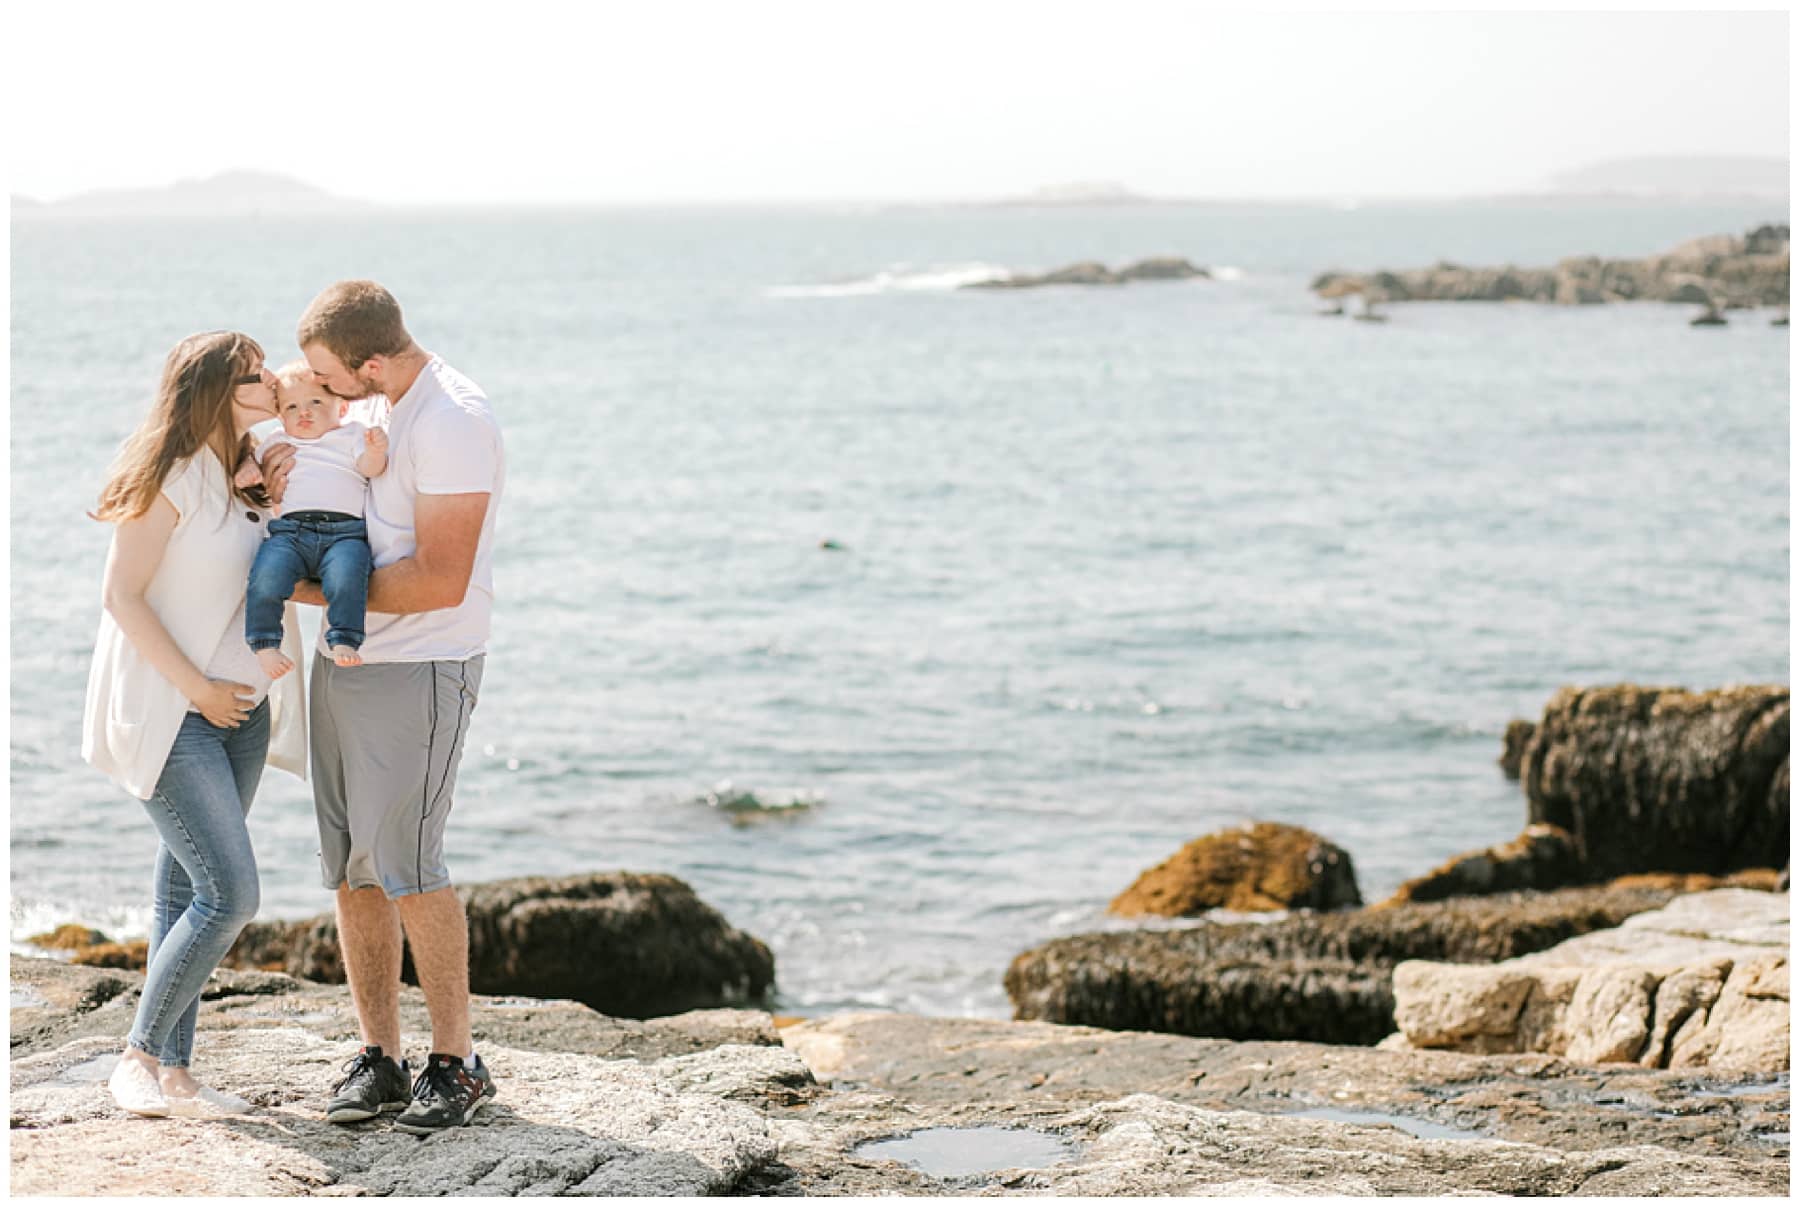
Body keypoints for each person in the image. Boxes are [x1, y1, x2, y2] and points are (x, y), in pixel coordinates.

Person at [263, 280, 504, 1134]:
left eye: (329, 377)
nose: (319, 392)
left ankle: (457, 1062)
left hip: (423, 663)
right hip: (347, 657)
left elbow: (440, 577)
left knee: (409, 863)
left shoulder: (452, 421)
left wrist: (290, 588)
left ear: (368, 362)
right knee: (353, 863)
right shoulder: (377, 412)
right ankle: (382, 1058)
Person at [82, 331, 310, 1118]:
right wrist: (199, 690)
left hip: (240, 714)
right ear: (211, 390)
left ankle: (176, 1074)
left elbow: (268, 579)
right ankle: (136, 1055)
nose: (271, 383)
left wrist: (277, 499)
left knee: (184, 887)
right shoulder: (170, 479)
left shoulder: (240, 475)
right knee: (230, 893)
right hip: (173, 711)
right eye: (252, 377)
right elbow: (123, 597)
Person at [243, 362, 389, 678]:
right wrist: (248, 472)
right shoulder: (278, 441)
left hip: (345, 533)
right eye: (292, 407)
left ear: (342, 406)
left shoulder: (351, 434)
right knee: (266, 576)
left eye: (316, 403)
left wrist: (376, 452)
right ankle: (265, 641)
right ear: (280, 415)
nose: (304, 413)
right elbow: (252, 467)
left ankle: (344, 639)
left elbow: (369, 468)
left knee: (348, 576)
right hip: (291, 532)